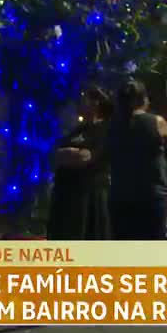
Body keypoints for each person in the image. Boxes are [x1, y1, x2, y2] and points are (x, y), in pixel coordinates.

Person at [108, 80, 167, 240]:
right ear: (141, 99)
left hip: (120, 197)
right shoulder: (157, 122)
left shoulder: (113, 125)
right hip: (151, 198)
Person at [47, 86, 113, 241]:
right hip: (66, 199)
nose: (79, 100)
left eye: (84, 96)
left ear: (96, 102)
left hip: (88, 199)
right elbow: (53, 155)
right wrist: (70, 154)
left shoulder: (105, 129)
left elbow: (85, 157)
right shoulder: (76, 130)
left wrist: (67, 154)